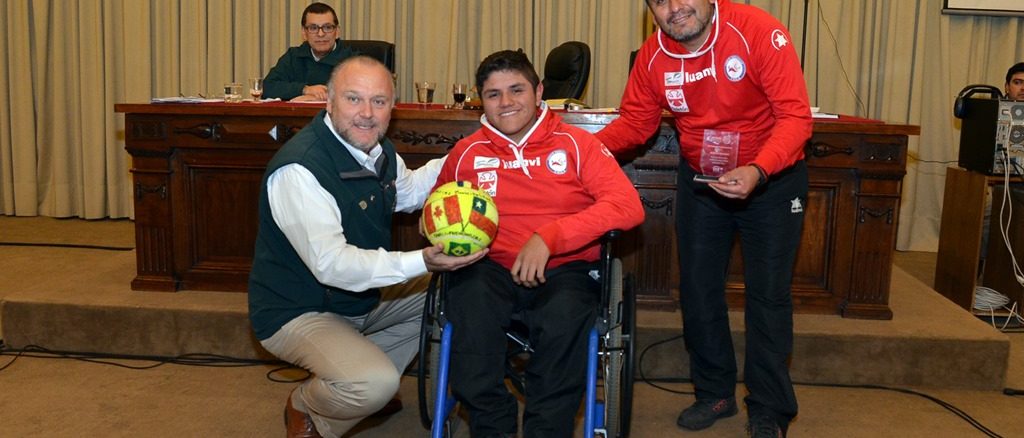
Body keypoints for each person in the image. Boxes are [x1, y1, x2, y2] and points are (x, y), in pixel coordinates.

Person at [596, 1, 812, 437]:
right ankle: (714, 392)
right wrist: (583, 151)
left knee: (768, 295)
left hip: (771, 179)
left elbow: (795, 118)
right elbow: (635, 124)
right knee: (698, 290)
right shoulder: (654, 55)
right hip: (703, 180)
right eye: (660, 1)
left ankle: (769, 408)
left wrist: (758, 169)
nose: (675, 8)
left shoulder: (759, 31)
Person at [248, 55, 486, 438]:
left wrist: (470, 151)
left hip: (357, 299)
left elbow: (409, 192)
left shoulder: (378, 150)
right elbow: (333, 266)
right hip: (299, 310)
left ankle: (364, 380)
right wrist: (424, 260)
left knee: (445, 297)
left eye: (379, 101)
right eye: (353, 99)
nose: (367, 113)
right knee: (372, 384)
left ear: (393, 107)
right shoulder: (300, 169)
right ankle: (310, 402)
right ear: (329, 102)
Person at [436, 50, 645, 437]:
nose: (506, 102)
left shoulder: (578, 144)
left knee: (564, 319)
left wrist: (550, 238)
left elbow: (627, 207)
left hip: (566, 270)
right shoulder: (466, 153)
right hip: (490, 268)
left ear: (538, 92)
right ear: (482, 100)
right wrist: (438, 231)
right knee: (469, 307)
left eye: (517, 90)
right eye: (493, 94)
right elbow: (439, 212)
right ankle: (492, 427)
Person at [263, 2, 355, 102]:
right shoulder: (293, 57)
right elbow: (267, 87)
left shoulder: (352, 60)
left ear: (337, 32)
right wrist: (305, 90)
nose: (320, 34)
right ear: (304, 33)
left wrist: (316, 98)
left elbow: (360, 93)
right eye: (313, 28)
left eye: (327, 27)